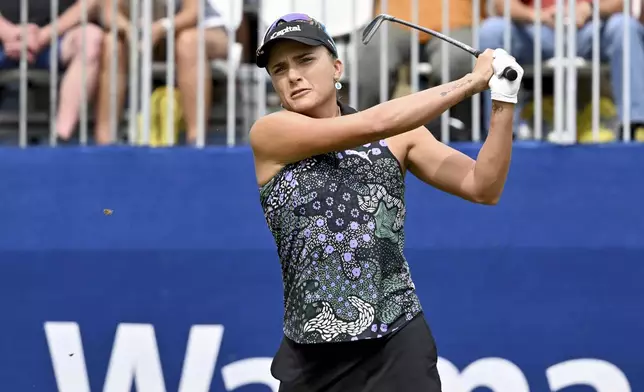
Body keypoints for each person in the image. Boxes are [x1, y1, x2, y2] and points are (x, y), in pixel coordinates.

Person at [249, 13, 523, 391]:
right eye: (279, 69)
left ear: (336, 66)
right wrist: (470, 81)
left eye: (305, 60)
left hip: (397, 342)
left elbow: (483, 186)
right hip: (311, 357)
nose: (292, 75)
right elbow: (373, 126)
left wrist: (503, 98)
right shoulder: (269, 133)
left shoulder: (402, 136)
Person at [479, 0, 644, 142]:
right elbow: (501, 4)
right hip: (537, 31)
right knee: (491, 30)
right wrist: (536, 15)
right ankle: (501, 132)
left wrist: (591, 8)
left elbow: (623, 2)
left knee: (625, 26)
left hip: (591, 28)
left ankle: (634, 125)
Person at [95, 0, 229, 145]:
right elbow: (109, 12)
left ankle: (195, 140)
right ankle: (105, 140)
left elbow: (192, 13)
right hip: (152, 36)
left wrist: (162, 27)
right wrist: (128, 29)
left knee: (188, 42)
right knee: (111, 43)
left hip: (203, 29)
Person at [356, 0, 480, 138]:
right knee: (374, 51)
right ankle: (363, 133)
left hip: (458, 22)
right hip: (393, 20)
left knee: (457, 58)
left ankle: (458, 132)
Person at [0, 0, 104, 141]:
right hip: (4, 37)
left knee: (90, 38)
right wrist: (8, 33)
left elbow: (91, 2)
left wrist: (44, 36)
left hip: (53, 38)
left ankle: (60, 137)